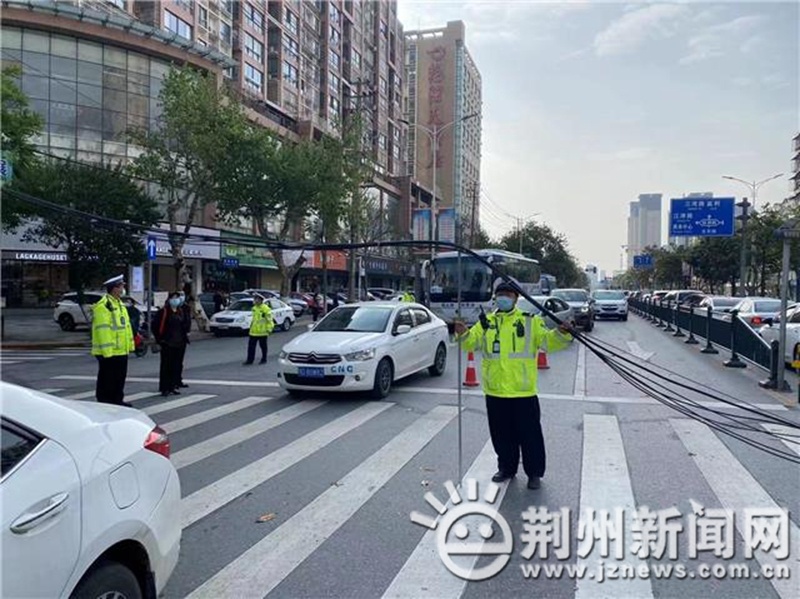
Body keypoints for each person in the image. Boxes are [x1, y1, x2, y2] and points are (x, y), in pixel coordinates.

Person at [454, 281, 574, 490]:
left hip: (523, 391)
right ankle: (506, 469)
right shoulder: (486, 322)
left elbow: (548, 342)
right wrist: (463, 333)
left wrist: (562, 333)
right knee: (501, 435)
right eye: (500, 294)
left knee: (530, 436)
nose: (504, 298)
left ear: (516, 299)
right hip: (496, 391)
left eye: (508, 295)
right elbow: (471, 343)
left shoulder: (530, 321)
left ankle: (534, 474)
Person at [92, 274, 134, 406]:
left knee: (119, 377)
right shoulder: (104, 306)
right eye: (121, 286)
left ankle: (117, 400)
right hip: (110, 351)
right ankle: (105, 401)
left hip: (121, 350)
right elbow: (103, 330)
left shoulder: (119, 304)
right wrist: (107, 352)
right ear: (114, 288)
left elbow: (126, 327)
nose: (123, 289)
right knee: (107, 378)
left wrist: (130, 345)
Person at [153, 292, 189, 397]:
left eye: (177, 298)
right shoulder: (163, 312)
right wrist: (160, 340)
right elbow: (155, 326)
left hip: (180, 342)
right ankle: (165, 388)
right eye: (173, 298)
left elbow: (185, 325)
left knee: (176, 365)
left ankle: (173, 386)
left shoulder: (180, 311)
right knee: (166, 366)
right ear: (169, 300)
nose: (176, 300)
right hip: (167, 343)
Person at [244, 293, 274, 365]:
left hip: (262, 332)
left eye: (257, 299)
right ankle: (250, 360)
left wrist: (269, 329)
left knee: (263, 346)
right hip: (253, 331)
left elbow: (269, 320)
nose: (255, 301)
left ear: (261, 300)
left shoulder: (265, 309)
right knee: (251, 347)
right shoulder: (254, 308)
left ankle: (264, 359)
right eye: (255, 299)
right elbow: (254, 320)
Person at [175, 291, 191, 388]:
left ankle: (178, 380)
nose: (181, 298)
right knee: (172, 362)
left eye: (182, 295)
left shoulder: (186, 307)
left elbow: (188, 320)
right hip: (172, 339)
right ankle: (171, 382)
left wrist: (188, 331)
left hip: (182, 337)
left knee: (179, 361)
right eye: (179, 295)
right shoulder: (171, 308)